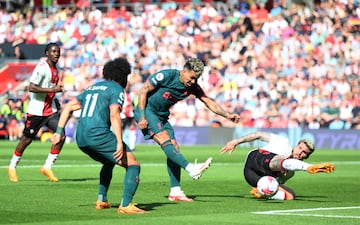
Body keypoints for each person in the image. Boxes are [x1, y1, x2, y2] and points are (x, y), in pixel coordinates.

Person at [134, 58, 241, 202]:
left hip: (162, 116)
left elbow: (208, 101)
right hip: (147, 111)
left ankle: (175, 191)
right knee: (164, 138)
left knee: (174, 148)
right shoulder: (167, 76)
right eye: (191, 77)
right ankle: (191, 168)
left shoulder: (193, 87)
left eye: (196, 79)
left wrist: (227, 115)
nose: (193, 81)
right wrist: (141, 116)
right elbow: (143, 90)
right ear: (184, 71)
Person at [51, 57, 146, 214]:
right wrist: (119, 142)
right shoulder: (116, 89)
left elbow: (68, 107)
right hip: (98, 134)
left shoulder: (92, 87)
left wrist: (59, 132)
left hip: (80, 137)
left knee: (109, 162)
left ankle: (102, 200)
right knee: (133, 164)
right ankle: (126, 205)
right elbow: (115, 114)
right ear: (123, 76)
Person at [7, 42, 65, 182]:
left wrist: (56, 101)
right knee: (27, 140)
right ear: (47, 53)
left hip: (50, 111)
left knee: (61, 135)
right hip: (36, 111)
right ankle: (12, 166)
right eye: (53, 51)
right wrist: (52, 90)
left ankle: (47, 167)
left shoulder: (55, 69)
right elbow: (32, 87)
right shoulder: (42, 68)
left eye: (58, 51)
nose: (56, 53)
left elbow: (50, 88)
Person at [220, 131, 335, 200]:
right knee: (280, 160)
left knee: (290, 196)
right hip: (255, 159)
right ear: (296, 145)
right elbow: (259, 135)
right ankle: (308, 167)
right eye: (300, 148)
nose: (300, 153)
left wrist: (269, 192)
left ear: (306, 156)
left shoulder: (290, 173)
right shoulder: (283, 142)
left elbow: (276, 183)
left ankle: (261, 192)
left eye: (304, 153)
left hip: (253, 178)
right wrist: (237, 141)